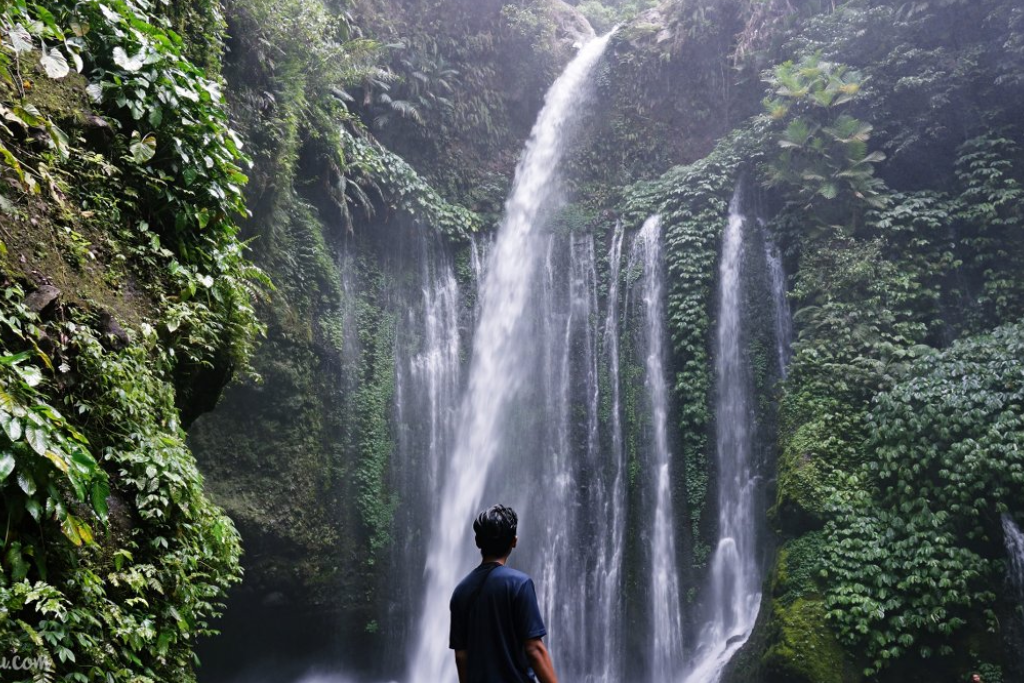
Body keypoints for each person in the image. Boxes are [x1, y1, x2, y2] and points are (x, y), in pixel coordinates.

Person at [449, 505, 559, 683]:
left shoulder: (461, 591)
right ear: (514, 541)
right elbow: (534, 650)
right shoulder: (519, 585)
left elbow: (461, 656)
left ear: (477, 541)